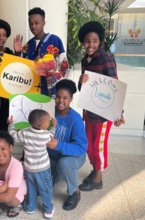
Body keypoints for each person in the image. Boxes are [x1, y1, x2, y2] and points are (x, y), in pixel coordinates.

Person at [77, 21, 125, 192]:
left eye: (95, 41)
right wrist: (80, 81)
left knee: (99, 146)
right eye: (87, 41)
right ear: (83, 42)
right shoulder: (85, 60)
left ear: (100, 42)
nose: (91, 45)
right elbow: (82, 88)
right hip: (90, 111)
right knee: (89, 145)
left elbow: (115, 87)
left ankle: (98, 179)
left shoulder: (106, 58)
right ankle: (95, 170)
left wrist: (119, 113)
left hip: (103, 115)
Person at [46, 79, 88, 211]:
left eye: (65, 98)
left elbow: (82, 148)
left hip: (73, 156)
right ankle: (55, 175)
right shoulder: (48, 112)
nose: (60, 101)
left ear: (71, 99)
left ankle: (75, 192)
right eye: (58, 97)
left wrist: (59, 145)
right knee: (44, 185)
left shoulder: (76, 119)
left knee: (64, 163)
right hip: (52, 155)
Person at [7, 110, 56, 219]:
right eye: (48, 122)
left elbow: (13, 135)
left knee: (31, 188)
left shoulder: (24, 132)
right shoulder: (45, 134)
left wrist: (10, 124)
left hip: (29, 168)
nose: (49, 123)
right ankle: (48, 210)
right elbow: (52, 135)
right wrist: (53, 127)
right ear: (41, 126)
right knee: (45, 189)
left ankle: (30, 207)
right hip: (43, 169)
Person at [14, 7, 66, 98]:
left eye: (36, 23)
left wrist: (54, 78)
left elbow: (64, 67)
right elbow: (20, 70)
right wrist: (18, 53)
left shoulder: (55, 41)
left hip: (51, 94)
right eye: (31, 24)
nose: (33, 26)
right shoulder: (28, 45)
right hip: (32, 94)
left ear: (44, 23)